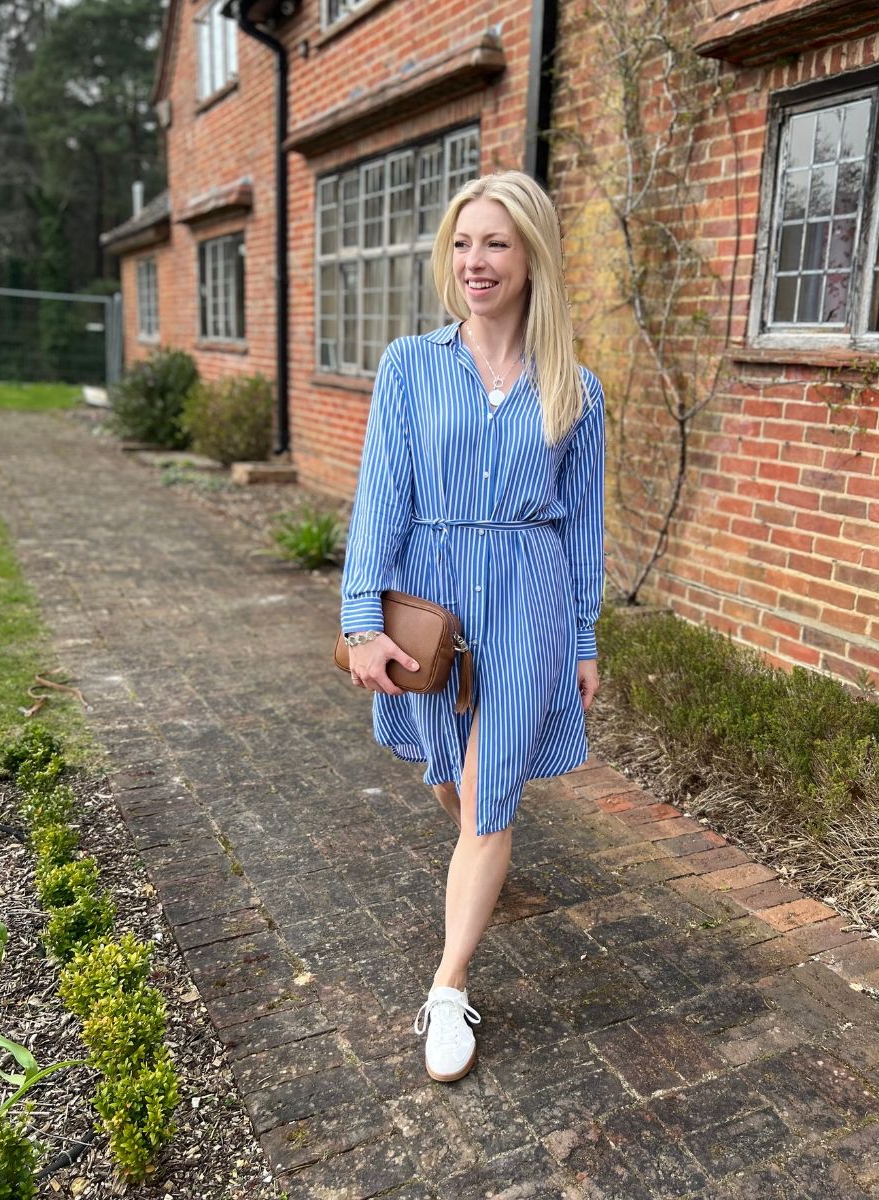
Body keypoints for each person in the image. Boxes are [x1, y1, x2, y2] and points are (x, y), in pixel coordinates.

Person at [340, 169, 605, 1083]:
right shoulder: (412, 366)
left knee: (491, 794)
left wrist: (582, 638)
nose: (475, 262)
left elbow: (583, 528)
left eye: (494, 243)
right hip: (434, 602)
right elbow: (380, 498)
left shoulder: (577, 388)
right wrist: (358, 621)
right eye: (461, 244)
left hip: (528, 596)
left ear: (531, 255)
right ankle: (479, 855)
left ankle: (449, 986)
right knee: (454, 779)